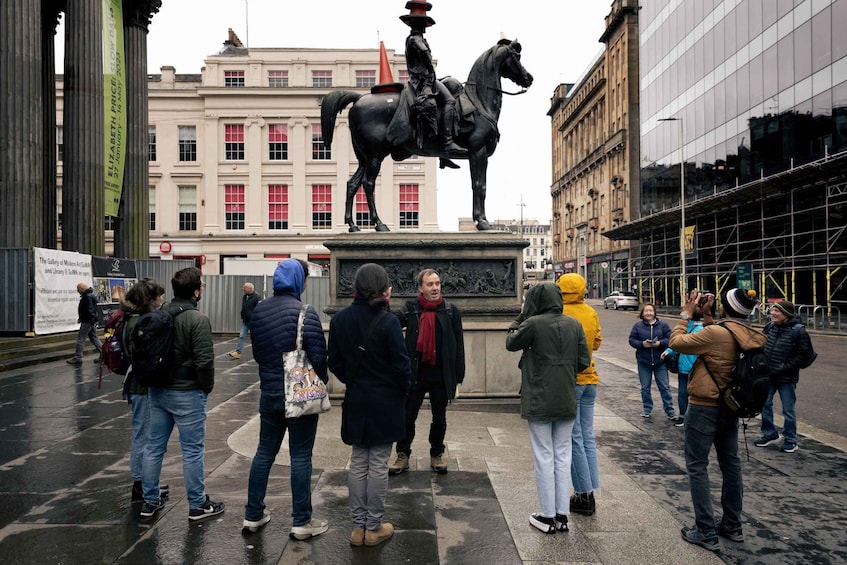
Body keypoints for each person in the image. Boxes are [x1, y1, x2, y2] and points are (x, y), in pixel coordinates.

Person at [669, 287, 766, 552]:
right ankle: (732, 525)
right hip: (731, 406)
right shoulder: (751, 334)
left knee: (697, 465)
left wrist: (686, 314)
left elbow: (676, 342)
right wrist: (709, 317)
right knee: (730, 464)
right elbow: (722, 345)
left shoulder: (714, 334)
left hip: (704, 406)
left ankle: (705, 530)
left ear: (726, 306)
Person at [242, 259, 329, 539]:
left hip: (269, 393)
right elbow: (318, 357)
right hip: (298, 396)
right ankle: (302, 521)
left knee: (264, 452)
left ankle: (253, 515)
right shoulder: (305, 312)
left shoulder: (259, 311)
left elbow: (257, 354)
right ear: (298, 282)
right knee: (300, 456)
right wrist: (321, 382)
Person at [327, 263, 411, 547]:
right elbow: (402, 367)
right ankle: (373, 526)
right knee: (377, 464)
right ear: (384, 290)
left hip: (357, 399)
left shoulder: (340, 320)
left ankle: (357, 527)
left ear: (356, 289)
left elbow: (334, 361)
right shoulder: (388, 322)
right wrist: (399, 392)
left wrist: (352, 379)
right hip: (385, 402)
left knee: (358, 462)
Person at [506, 283, 591, 534]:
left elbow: (511, 342)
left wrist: (521, 317)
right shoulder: (574, 324)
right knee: (563, 455)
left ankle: (546, 515)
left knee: (544, 455)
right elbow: (584, 361)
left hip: (539, 397)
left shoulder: (533, 324)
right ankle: (562, 514)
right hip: (566, 397)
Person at [140, 267, 224, 521]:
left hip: (158, 390)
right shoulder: (197, 320)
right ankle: (197, 504)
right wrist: (206, 387)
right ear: (196, 291)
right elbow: (204, 362)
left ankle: (149, 501)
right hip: (187, 392)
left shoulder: (159, 313)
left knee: (154, 447)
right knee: (192, 450)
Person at [389, 268, 465, 475]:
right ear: (421, 288)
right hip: (415, 374)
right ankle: (402, 454)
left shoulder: (450, 311)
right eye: (430, 284)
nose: (435, 288)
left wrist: (459, 375)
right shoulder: (411, 308)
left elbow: (458, 344)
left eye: (437, 283)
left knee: (439, 417)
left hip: (441, 374)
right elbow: (391, 323)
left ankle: (436, 454)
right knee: (407, 417)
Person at [388, 0, 462, 169]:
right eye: (422, 24)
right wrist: (430, 71)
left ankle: (444, 156)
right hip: (422, 82)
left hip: (428, 79)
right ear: (416, 25)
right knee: (449, 101)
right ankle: (447, 143)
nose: (423, 27)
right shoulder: (415, 39)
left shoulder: (415, 38)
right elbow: (426, 57)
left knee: (454, 86)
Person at [557, 273, 602, 516]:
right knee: (587, 436)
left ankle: (584, 495)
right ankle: (591, 489)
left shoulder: (560, 313)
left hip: (571, 381)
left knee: (573, 437)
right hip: (591, 380)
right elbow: (596, 343)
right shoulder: (590, 311)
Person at [122, 278, 170, 502]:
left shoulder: (130, 319)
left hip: (135, 383)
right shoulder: (140, 323)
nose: (162, 299)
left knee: (143, 434)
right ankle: (141, 484)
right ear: (150, 299)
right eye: (159, 296)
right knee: (144, 435)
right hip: (141, 386)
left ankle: (147, 482)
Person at [755, 300, 814, 454]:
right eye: (772, 310)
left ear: (786, 314)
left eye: (777, 311)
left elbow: (803, 355)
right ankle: (769, 434)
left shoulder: (798, 331)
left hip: (787, 377)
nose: (773, 313)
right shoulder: (770, 327)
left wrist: (783, 367)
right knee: (764, 404)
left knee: (788, 409)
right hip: (769, 375)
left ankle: (790, 440)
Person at [661, 290, 709, 428]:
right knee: (682, 394)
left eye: (685, 310)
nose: (683, 312)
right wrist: (669, 350)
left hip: (694, 370)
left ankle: (692, 418)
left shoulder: (699, 329)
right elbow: (678, 342)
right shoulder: (687, 327)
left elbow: (681, 341)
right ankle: (683, 416)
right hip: (683, 369)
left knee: (694, 396)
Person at [628, 303, 675, 420]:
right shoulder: (637, 326)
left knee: (664, 387)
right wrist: (642, 344)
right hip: (644, 361)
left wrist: (660, 343)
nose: (648, 313)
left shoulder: (663, 325)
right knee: (645, 388)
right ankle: (647, 408)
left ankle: (670, 410)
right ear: (642, 313)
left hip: (660, 361)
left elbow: (670, 339)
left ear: (654, 312)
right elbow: (632, 340)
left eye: (650, 311)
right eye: (646, 311)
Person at [66, 282, 104, 364]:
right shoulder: (90, 295)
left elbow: (89, 310)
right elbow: (89, 310)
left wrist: (89, 320)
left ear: (82, 289)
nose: (77, 291)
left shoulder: (87, 297)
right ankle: (105, 355)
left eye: (78, 289)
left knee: (80, 339)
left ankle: (78, 357)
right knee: (94, 338)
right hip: (90, 320)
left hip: (88, 321)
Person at [229, 282, 260, 360]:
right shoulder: (245, 296)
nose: (243, 289)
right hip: (245, 321)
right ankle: (238, 353)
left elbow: (259, 309)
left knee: (255, 338)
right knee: (242, 336)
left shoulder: (257, 297)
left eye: (244, 287)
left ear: (250, 289)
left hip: (253, 321)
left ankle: (259, 353)